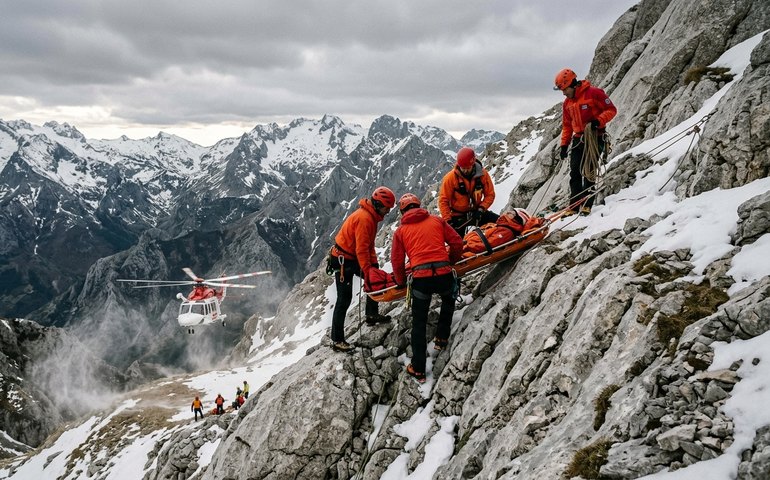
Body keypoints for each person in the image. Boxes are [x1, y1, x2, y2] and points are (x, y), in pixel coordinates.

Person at [391, 193, 463, 383]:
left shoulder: (401, 231)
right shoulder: (437, 221)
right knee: (449, 299)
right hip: (444, 274)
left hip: (421, 280)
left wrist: (400, 282)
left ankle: (418, 368)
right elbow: (457, 242)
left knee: (419, 322)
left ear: (402, 211)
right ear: (419, 205)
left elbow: (397, 262)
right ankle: (441, 337)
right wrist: (451, 262)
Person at [327, 186, 396, 353]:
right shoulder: (365, 219)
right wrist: (368, 269)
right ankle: (337, 340)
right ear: (379, 204)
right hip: (344, 260)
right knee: (344, 299)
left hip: (350, 257)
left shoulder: (370, 217)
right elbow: (361, 249)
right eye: (387, 207)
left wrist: (373, 267)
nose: (388, 211)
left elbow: (368, 246)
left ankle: (371, 314)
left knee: (376, 277)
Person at [555, 68, 617, 216]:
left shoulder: (594, 93)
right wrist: (564, 145)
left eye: (564, 89)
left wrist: (598, 121)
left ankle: (587, 204)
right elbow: (567, 125)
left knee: (588, 170)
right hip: (579, 139)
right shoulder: (567, 103)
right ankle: (574, 205)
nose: (563, 93)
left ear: (573, 84)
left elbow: (611, 110)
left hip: (595, 136)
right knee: (575, 171)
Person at [439, 147, 498, 236]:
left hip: (477, 213)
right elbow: (443, 201)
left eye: (468, 168)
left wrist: (481, 209)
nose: (465, 170)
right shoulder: (450, 178)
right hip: (458, 216)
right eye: (463, 168)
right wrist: (448, 221)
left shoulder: (483, 175)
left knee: (499, 221)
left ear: (473, 164)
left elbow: (490, 195)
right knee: (458, 240)